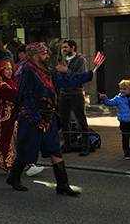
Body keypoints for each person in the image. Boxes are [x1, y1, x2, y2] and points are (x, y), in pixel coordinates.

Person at [7, 42, 101, 196]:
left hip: (48, 117)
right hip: (32, 118)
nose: (47, 55)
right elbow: (25, 97)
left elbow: (65, 82)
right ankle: (14, 177)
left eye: (47, 52)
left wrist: (89, 74)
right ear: (34, 55)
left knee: (55, 150)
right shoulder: (26, 72)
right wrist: (36, 119)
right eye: (44, 53)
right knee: (27, 152)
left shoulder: (48, 70)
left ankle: (62, 185)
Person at [57, 39, 92, 156]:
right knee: (64, 120)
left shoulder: (80, 60)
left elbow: (81, 77)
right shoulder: (61, 60)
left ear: (73, 48)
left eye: (66, 47)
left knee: (80, 120)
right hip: (63, 93)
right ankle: (67, 145)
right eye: (63, 48)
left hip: (76, 93)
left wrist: (67, 70)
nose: (63, 50)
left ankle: (85, 147)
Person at [99, 80, 130, 160]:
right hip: (124, 122)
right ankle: (126, 152)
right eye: (120, 89)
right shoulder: (118, 98)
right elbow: (110, 103)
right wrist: (104, 98)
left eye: (124, 89)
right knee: (125, 137)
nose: (121, 91)